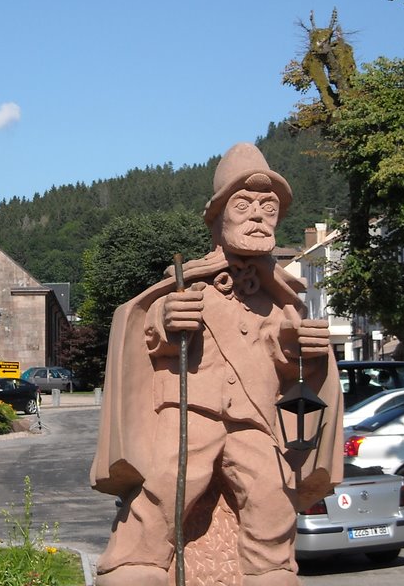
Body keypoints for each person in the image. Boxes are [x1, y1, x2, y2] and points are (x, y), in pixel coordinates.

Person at [91, 143, 343, 586]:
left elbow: (285, 357)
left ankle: (269, 567)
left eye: (269, 207)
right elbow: (145, 325)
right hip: (191, 408)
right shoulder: (189, 281)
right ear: (217, 215)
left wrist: (298, 345)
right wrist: (167, 321)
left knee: (270, 488)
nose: (258, 215)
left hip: (254, 415)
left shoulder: (281, 297)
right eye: (243, 204)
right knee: (171, 476)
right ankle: (137, 560)